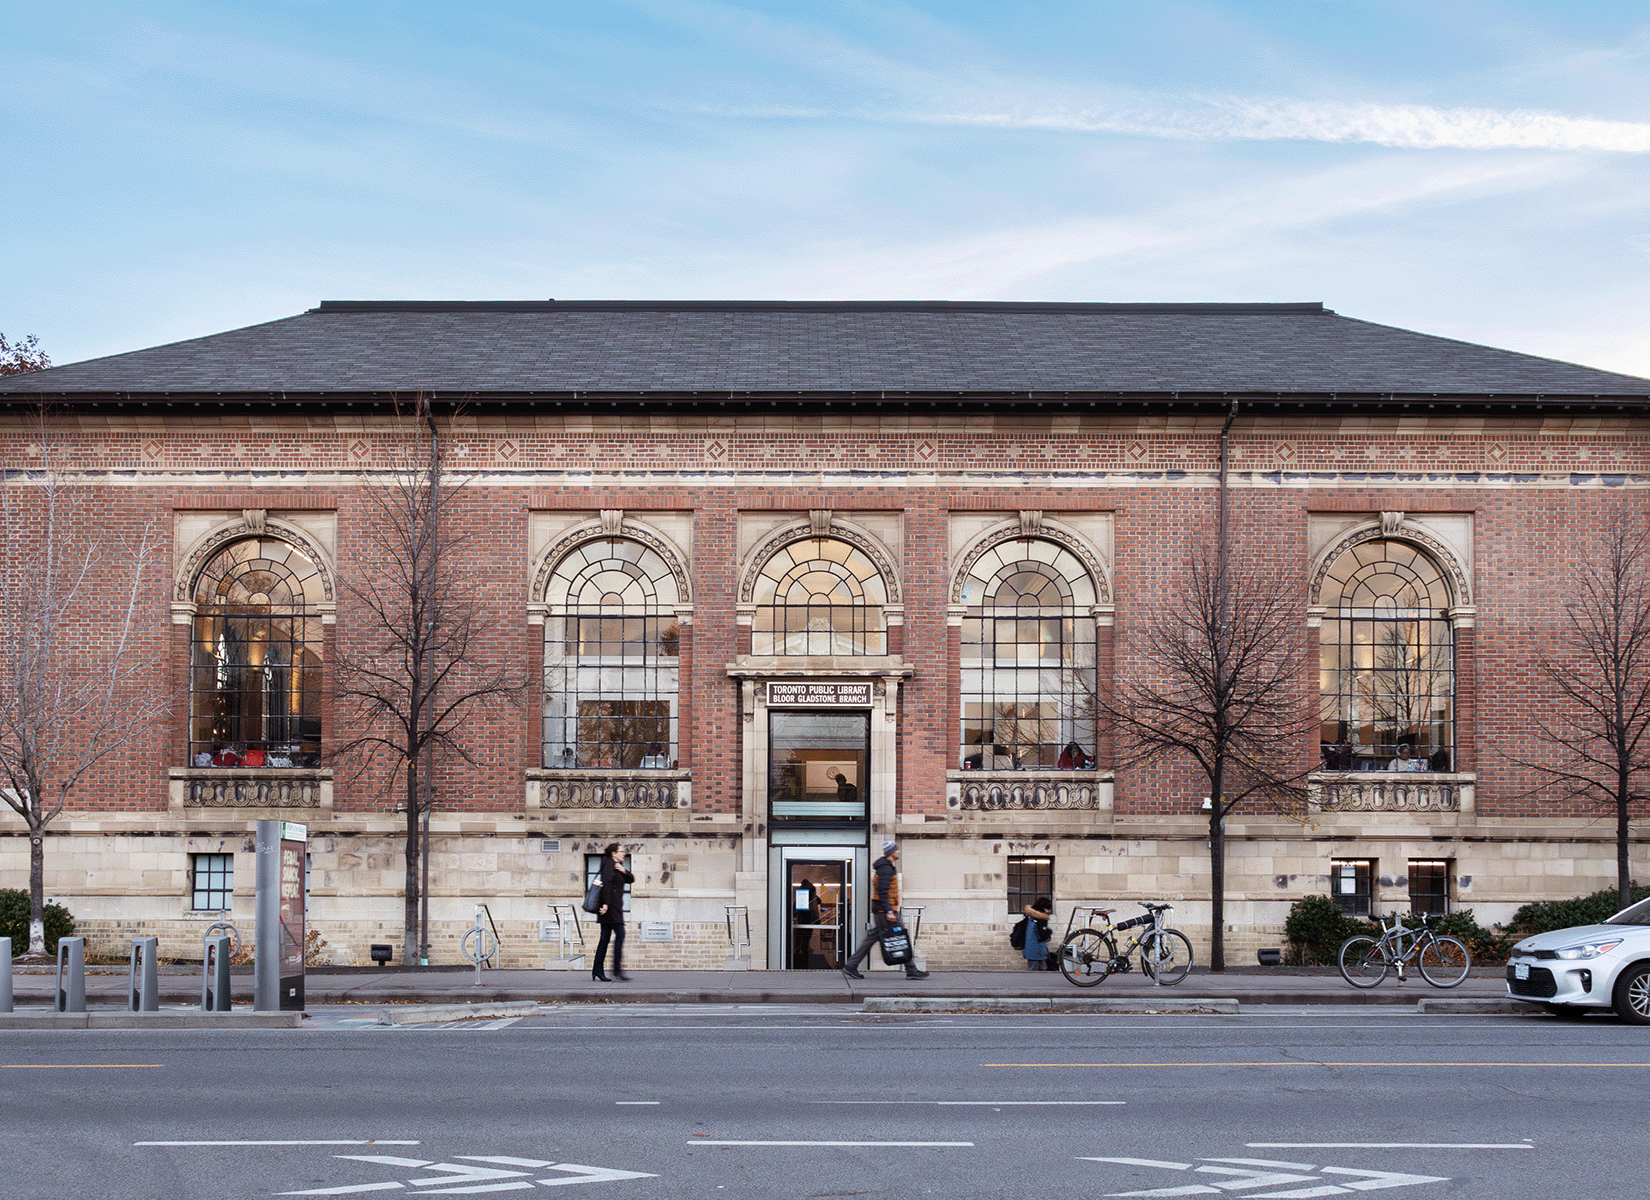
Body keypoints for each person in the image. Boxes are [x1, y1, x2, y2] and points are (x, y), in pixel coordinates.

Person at [841, 841, 929, 981]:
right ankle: (911, 969)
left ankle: (851, 965)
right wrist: (889, 911)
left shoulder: (885, 867)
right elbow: (883, 891)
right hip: (886, 911)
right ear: (891, 852)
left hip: (885, 910)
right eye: (896, 850)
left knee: (876, 938)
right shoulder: (886, 869)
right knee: (900, 938)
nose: (899, 852)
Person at [592, 842, 634, 982]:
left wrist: (623, 870)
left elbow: (631, 879)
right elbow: (607, 885)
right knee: (620, 935)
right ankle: (616, 970)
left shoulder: (616, 866)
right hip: (610, 909)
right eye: (621, 851)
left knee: (604, 939)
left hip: (612, 908)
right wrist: (605, 904)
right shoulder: (609, 864)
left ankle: (598, 970)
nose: (624, 853)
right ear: (613, 853)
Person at [1012, 896, 1056, 970]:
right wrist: (1049, 932)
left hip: (1029, 948)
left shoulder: (1029, 917)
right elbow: (1043, 935)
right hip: (1038, 949)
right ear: (1044, 908)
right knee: (1041, 969)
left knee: (1033, 968)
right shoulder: (1041, 919)